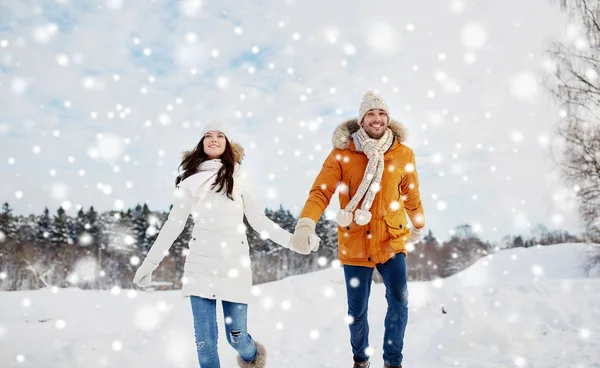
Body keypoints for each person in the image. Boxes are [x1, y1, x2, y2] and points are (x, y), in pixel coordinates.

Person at [133, 123, 307, 368]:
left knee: (236, 337)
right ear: (201, 144)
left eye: (219, 135)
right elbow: (173, 225)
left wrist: (291, 241)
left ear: (226, 144)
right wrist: (149, 263)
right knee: (205, 343)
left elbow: (258, 220)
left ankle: (252, 358)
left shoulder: (239, 175)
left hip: (233, 265)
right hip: (199, 265)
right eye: (208, 136)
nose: (213, 139)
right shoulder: (189, 180)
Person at [290, 91, 426, 368]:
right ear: (362, 120)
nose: (377, 119)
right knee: (357, 311)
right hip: (355, 242)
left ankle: (392, 361)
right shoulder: (343, 153)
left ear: (388, 119)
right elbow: (321, 191)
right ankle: (360, 359)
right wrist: (306, 223)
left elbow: (411, 194)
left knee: (399, 302)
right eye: (371, 114)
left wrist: (418, 224)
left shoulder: (403, 153)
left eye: (382, 114)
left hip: (391, 240)